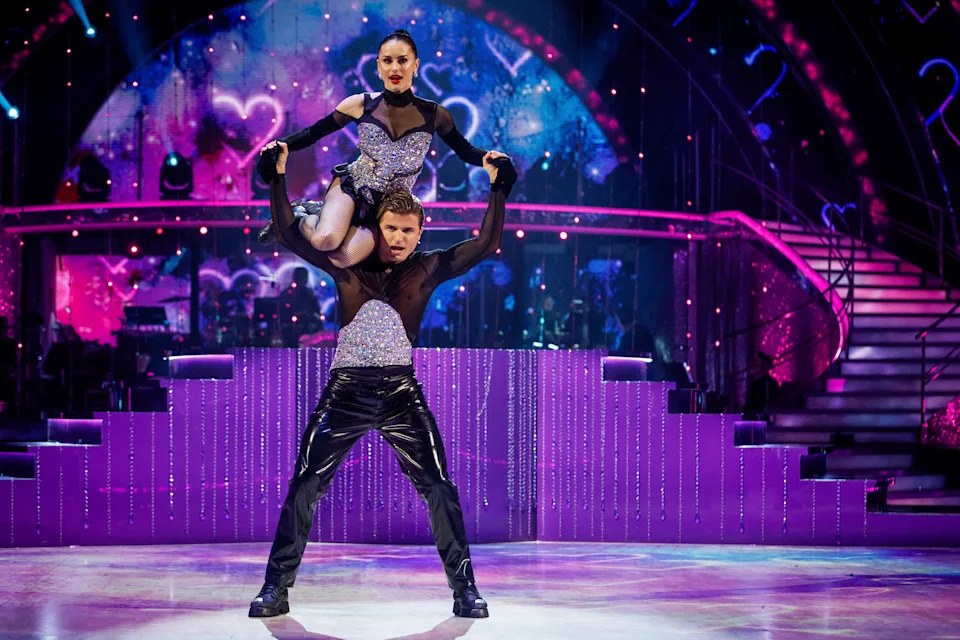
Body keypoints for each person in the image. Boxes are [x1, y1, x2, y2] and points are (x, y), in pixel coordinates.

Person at [248, 139, 516, 619]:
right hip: (345, 393)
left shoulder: (428, 268)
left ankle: (465, 591)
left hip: (401, 394)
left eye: (406, 230)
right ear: (379, 227)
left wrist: (499, 191)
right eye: (390, 227)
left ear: (419, 231)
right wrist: (276, 177)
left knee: (438, 486)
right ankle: (275, 589)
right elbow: (289, 235)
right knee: (306, 483)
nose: (397, 237)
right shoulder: (350, 265)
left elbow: (485, 244)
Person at [255, 29, 500, 269]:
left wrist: (490, 160)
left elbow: (465, 151)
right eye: (388, 61)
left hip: (388, 209)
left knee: (342, 258)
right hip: (353, 188)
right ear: (378, 66)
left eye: (403, 61)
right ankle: (303, 213)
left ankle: (327, 215)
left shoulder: (435, 115)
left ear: (415, 65)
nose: (395, 68)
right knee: (325, 240)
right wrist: (280, 146)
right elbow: (313, 133)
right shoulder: (360, 105)